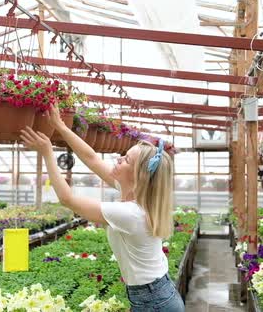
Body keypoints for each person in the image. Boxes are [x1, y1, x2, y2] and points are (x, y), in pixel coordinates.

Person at [20, 106, 184, 312]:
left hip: (153, 301)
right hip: (156, 295)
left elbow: (67, 198)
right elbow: (92, 158)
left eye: (126, 160)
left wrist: (47, 153)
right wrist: (60, 126)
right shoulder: (135, 195)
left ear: (137, 176)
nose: (119, 159)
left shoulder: (130, 214)